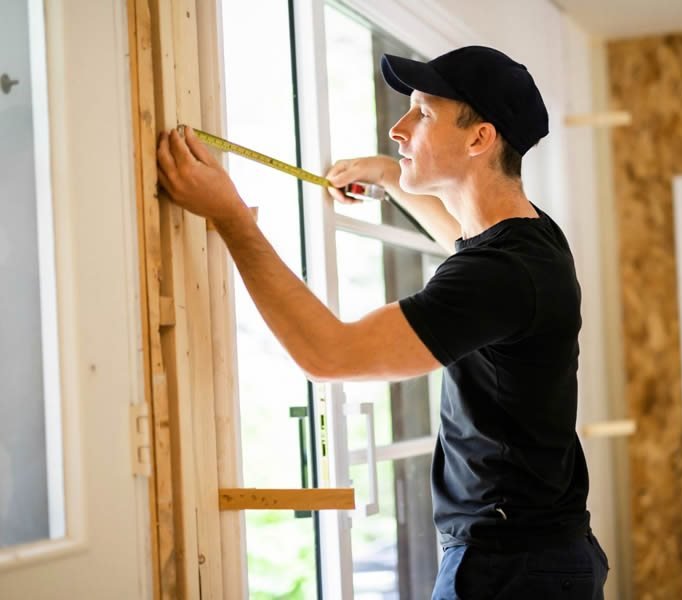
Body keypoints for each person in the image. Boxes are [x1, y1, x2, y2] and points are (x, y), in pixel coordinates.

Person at [157, 45, 609, 599]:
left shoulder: (502, 274)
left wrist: (231, 218)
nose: (398, 128)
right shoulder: (531, 239)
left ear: (478, 138)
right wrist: (392, 179)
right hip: (537, 551)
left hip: (510, 567)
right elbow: (460, 241)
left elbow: (330, 355)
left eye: (421, 113)